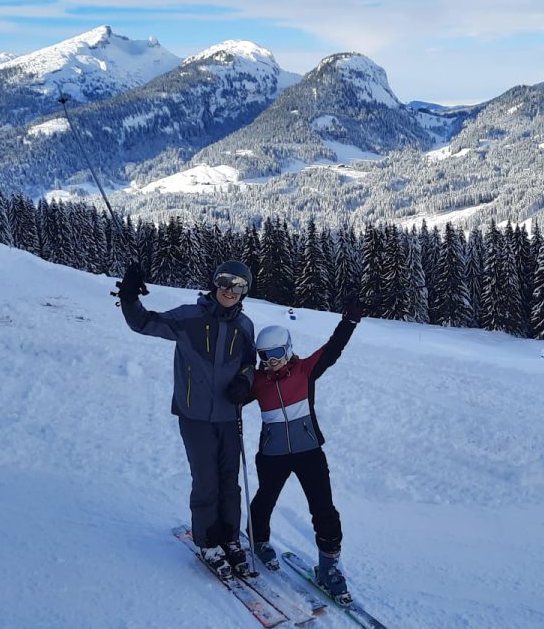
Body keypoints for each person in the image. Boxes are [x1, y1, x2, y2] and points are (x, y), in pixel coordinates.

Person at [117, 259, 259, 578]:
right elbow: (143, 323)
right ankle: (208, 541)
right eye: (225, 282)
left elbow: (250, 364)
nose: (229, 290)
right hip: (194, 415)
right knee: (206, 480)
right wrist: (128, 297)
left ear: (245, 292)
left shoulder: (245, 326)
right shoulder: (188, 317)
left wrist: (244, 382)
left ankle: (230, 537)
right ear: (214, 283)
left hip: (228, 416)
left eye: (238, 286)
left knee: (229, 482)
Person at [246, 298, 363, 604]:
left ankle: (329, 567)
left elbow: (332, 349)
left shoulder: (305, 371)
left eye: (274, 355)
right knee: (264, 500)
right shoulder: (258, 382)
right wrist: (234, 391)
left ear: (286, 350)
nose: (269, 362)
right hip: (272, 454)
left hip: (309, 451)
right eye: (263, 356)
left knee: (323, 508)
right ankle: (259, 541)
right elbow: (230, 396)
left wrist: (348, 322)